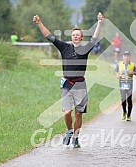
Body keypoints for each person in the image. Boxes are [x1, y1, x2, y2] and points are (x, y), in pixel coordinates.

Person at [33, 12, 104, 148]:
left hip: (80, 85)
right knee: (67, 112)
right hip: (67, 84)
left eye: (78, 35)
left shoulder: (85, 49)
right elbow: (49, 36)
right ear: (71, 37)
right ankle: (69, 131)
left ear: (81, 37)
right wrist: (39, 23)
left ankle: (76, 137)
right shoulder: (64, 47)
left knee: (78, 113)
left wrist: (99, 22)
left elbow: (94, 38)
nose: (75, 36)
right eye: (73, 35)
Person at [115, 51, 136, 121]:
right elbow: (115, 71)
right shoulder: (119, 64)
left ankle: (129, 115)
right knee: (123, 99)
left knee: (129, 100)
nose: (126, 57)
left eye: (128, 56)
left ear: (130, 57)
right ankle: (124, 112)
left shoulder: (133, 65)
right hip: (122, 83)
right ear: (123, 57)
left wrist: (133, 73)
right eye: (125, 56)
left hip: (129, 84)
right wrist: (117, 75)